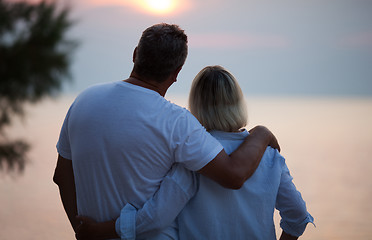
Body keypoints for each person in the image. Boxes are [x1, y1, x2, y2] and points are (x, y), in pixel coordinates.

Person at [53, 23, 279, 239]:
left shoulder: (84, 101)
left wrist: (82, 230)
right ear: (177, 72)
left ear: (135, 54)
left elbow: (62, 176)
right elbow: (234, 175)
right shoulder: (176, 121)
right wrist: (262, 133)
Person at [75, 66, 314, 240]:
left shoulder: (194, 160)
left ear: (196, 104)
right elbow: (297, 216)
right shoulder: (270, 157)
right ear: (238, 103)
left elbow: (155, 218)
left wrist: (101, 231)